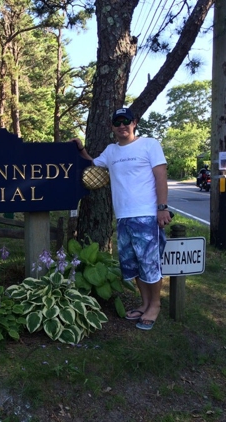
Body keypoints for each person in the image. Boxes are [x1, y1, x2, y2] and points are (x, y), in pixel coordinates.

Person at [71, 107, 171, 331]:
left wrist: (162, 208)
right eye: (117, 122)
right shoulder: (111, 151)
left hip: (146, 215)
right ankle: (144, 304)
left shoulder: (149, 145)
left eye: (126, 121)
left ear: (134, 122)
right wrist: (81, 149)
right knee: (133, 264)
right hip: (123, 217)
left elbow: (161, 175)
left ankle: (155, 305)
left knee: (149, 263)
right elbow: (93, 166)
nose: (122, 125)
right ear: (112, 127)